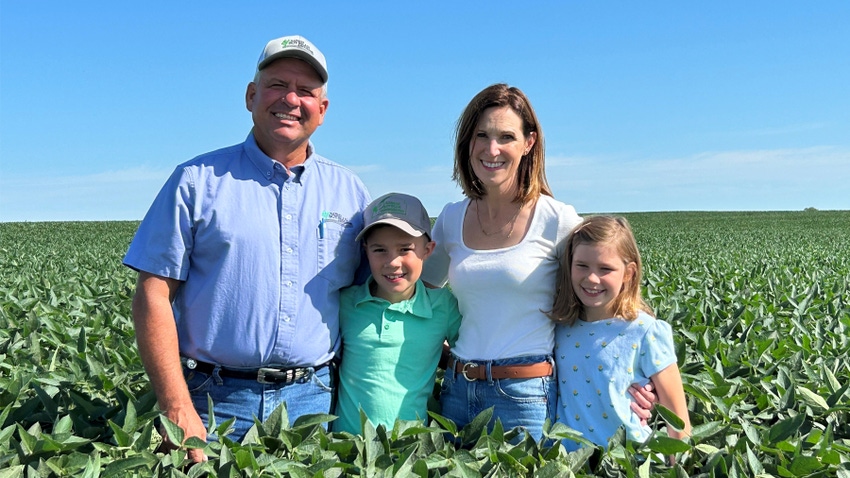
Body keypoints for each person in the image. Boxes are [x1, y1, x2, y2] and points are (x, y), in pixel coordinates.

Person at [123, 35, 370, 462]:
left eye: (306, 92)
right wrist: (176, 406)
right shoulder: (196, 180)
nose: (291, 99)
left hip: (315, 402)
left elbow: (371, 296)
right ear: (251, 96)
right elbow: (153, 294)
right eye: (277, 85)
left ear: (322, 111)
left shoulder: (351, 192)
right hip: (213, 402)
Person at [421, 83, 655, 442]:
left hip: (525, 397)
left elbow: (615, 289)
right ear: (467, 142)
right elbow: (417, 295)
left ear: (528, 143)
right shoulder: (452, 218)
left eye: (506, 137)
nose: (492, 148)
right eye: (481, 135)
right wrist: (438, 356)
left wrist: (641, 376)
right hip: (457, 391)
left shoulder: (555, 218)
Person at [548, 215, 691, 455]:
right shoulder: (559, 328)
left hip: (630, 462)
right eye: (582, 265)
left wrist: (677, 468)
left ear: (628, 272)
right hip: (570, 463)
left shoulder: (645, 331)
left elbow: (678, 421)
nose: (592, 278)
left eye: (606, 269)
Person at [334, 193, 462, 434]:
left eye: (405, 249)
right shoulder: (346, 303)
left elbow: (469, 351)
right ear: (365, 251)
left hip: (409, 453)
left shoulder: (442, 306)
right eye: (379, 249)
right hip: (346, 450)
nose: (393, 262)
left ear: (428, 249)